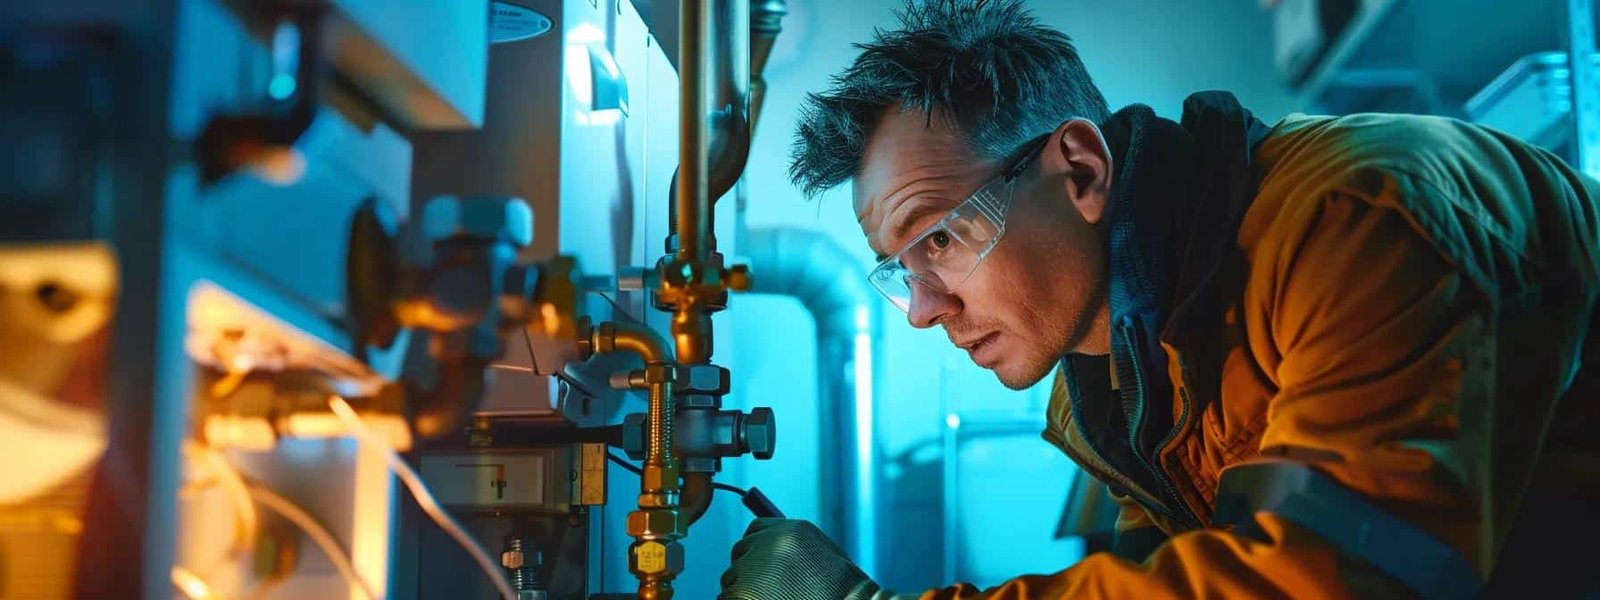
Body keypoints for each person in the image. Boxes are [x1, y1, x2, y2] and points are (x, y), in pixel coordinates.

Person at [716, 0, 1600, 598]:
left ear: (1081, 170)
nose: (921, 307)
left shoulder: (1359, 218)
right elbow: (1173, 571)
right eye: (899, 268)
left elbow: (1330, 580)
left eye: (937, 238)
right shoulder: (1113, 372)